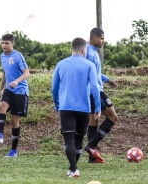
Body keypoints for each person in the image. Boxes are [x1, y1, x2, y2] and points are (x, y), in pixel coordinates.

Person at [52, 37, 101, 177]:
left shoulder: (61, 64)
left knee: (69, 140)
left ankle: (73, 169)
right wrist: (97, 107)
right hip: (83, 109)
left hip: (66, 107)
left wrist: (57, 104)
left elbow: (54, 89)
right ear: (84, 49)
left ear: (71, 49)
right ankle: (73, 168)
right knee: (78, 139)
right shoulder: (89, 65)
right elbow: (95, 87)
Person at [0, 33, 30, 157]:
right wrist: (1, 89)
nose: (4, 45)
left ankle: (13, 151)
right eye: (2, 43)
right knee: (1, 106)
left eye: (7, 43)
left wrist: (16, 81)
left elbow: (27, 73)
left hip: (20, 90)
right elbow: (5, 73)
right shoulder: (2, 56)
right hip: (9, 89)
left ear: (12, 44)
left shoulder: (17, 56)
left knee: (15, 120)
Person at [84, 27, 118, 164]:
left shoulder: (94, 52)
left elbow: (96, 73)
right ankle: (91, 146)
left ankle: (92, 157)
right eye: (102, 38)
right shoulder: (87, 52)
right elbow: (85, 71)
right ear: (94, 37)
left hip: (95, 89)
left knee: (94, 121)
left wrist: (107, 80)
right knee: (113, 117)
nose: (103, 41)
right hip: (95, 90)